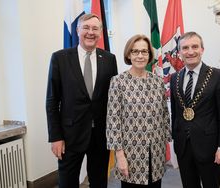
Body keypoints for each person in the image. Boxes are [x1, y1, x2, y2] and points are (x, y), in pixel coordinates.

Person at [46, 13, 118, 188]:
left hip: (100, 136)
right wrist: (55, 137)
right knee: (67, 183)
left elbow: (113, 100)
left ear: (101, 33)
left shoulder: (109, 59)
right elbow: (52, 100)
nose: (90, 32)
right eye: (86, 27)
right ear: (78, 30)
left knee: (99, 182)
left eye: (95, 28)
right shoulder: (60, 58)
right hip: (69, 136)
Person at [106, 34, 171, 188]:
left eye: (144, 51)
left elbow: (164, 114)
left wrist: (167, 142)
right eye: (135, 52)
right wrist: (120, 156)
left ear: (149, 55)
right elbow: (113, 120)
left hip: (156, 152)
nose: (140, 56)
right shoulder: (118, 82)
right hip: (131, 154)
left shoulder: (157, 81)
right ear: (129, 54)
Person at [170, 31, 220, 188]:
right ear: (179, 53)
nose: (190, 51)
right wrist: (176, 143)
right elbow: (176, 113)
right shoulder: (174, 78)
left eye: (194, 46)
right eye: (185, 48)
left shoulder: (218, 76)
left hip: (209, 147)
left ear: (202, 49)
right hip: (183, 147)